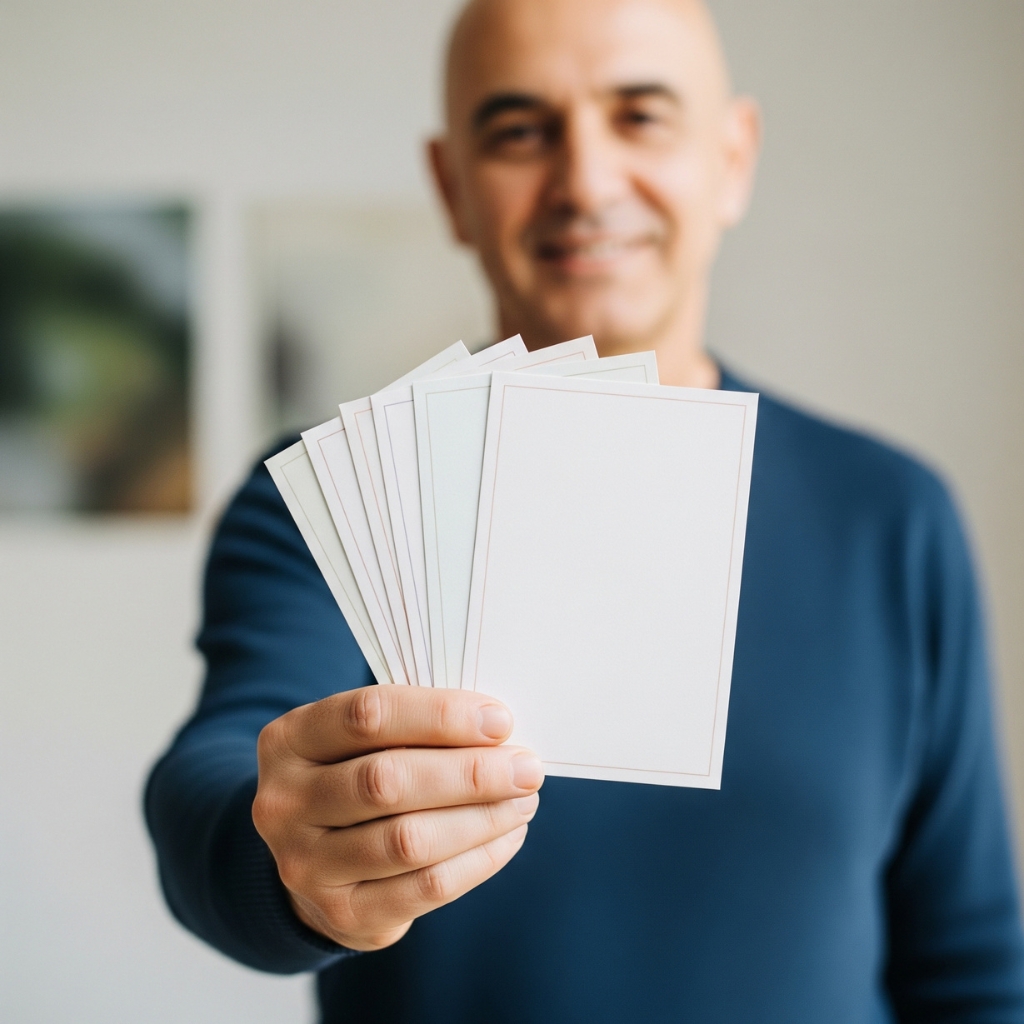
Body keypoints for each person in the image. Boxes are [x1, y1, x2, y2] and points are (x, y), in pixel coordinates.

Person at [145, 0, 1024, 1019]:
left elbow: (967, 961)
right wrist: (285, 859)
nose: (587, 182)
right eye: (519, 131)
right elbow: (213, 779)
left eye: (640, 116)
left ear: (731, 157)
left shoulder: (890, 518)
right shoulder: (329, 498)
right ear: (451, 187)